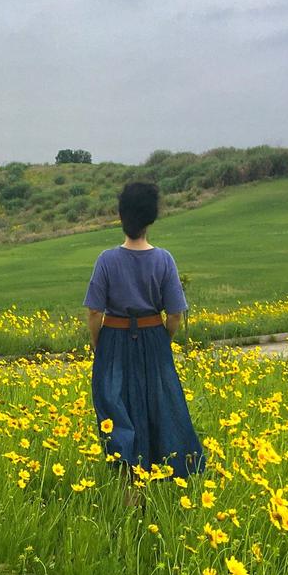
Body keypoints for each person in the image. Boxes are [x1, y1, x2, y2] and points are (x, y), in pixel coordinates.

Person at [83, 181, 204, 481]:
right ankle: (166, 474)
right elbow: (175, 314)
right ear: (151, 218)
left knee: (116, 408)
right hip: (154, 339)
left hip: (113, 339)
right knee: (159, 407)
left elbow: (94, 312)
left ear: (121, 216)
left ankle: (129, 483)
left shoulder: (106, 260)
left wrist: (100, 344)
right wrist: (162, 338)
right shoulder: (164, 259)